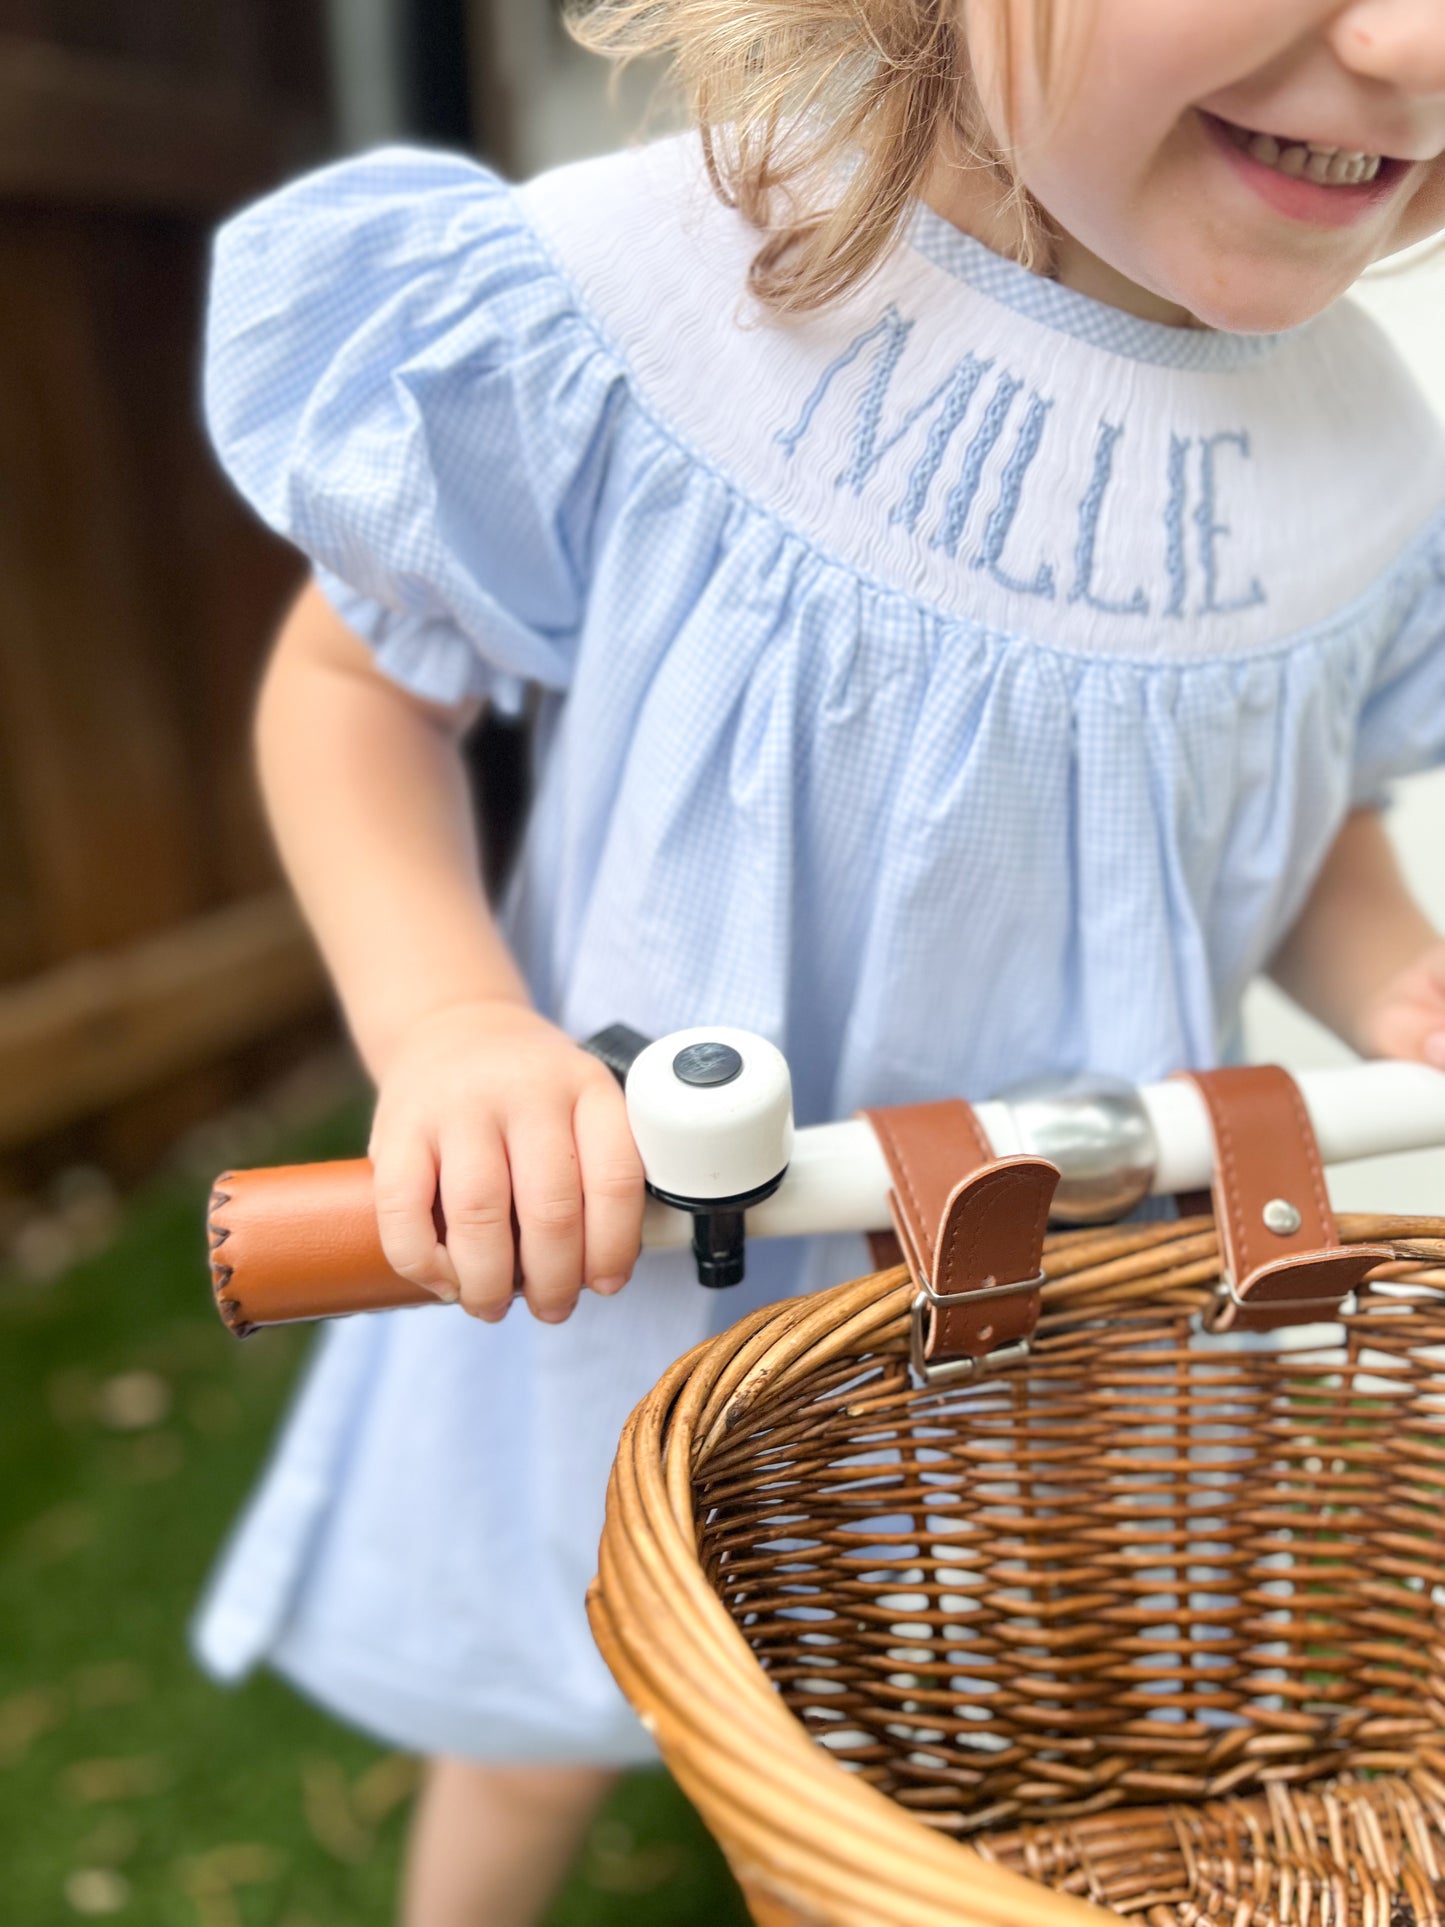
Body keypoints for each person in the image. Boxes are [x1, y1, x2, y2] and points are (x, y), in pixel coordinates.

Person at [193, 0, 1445, 1919]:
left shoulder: (1362, 452)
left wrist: (1397, 980)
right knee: (545, 1706)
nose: (1416, 43)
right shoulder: (661, 299)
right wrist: (450, 1029)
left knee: (1013, 1710)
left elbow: (1278, 800)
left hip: (1048, 1296)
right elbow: (359, 687)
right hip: (630, 1243)